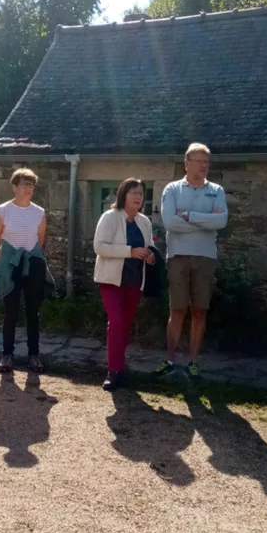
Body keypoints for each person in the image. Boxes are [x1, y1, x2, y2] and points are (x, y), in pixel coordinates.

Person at [158, 143, 228, 379]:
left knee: (200, 310)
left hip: (206, 257)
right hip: (177, 255)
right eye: (199, 162)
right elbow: (169, 222)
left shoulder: (216, 190)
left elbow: (221, 221)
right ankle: (169, 359)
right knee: (177, 309)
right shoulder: (172, 189)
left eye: (207, 162)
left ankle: (192, 361)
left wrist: (188, 216)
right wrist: (204, 222)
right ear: (186, 163)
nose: (204, 166)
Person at [0, 168, 54, 373]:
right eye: (24, 184)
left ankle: (34, 356)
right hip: (11, 266)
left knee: (33, 311)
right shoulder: (3, 210)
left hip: (32, 265)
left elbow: (40, 240)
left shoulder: (39, 212)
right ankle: (7, 355)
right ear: (14, 186)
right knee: (11, 312)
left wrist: (29, 260)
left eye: (31, 184)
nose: (28, 188)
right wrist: (4, 261)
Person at [94, 178, 155, 391]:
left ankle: (119, 366)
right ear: (123, 195)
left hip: (134, 280)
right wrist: (129, 251)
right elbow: (99, 246)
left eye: (140, 193)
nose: (138, 197)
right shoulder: (110, 217)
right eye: (133, 192)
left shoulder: (145, 221)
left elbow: (150, 246)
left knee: (126, 325)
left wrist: (150, 256)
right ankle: (113, 371)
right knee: (117, 322)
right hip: (111, 279)